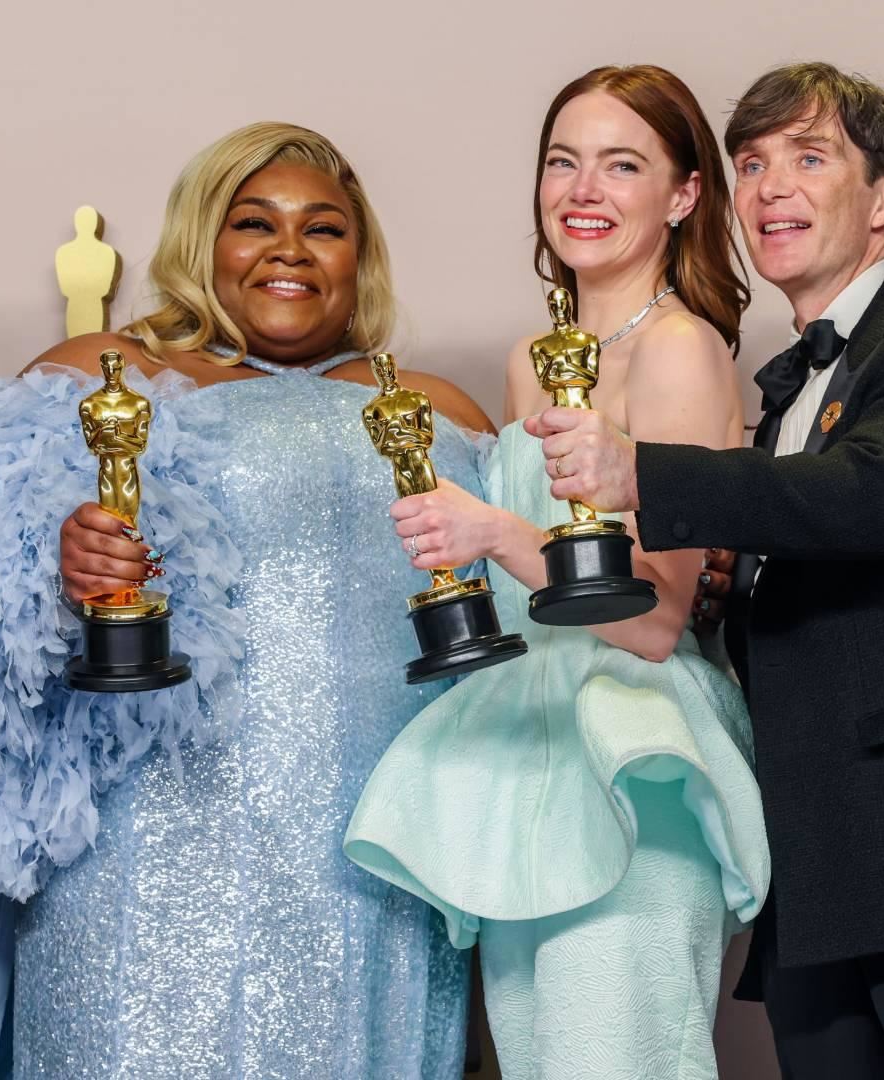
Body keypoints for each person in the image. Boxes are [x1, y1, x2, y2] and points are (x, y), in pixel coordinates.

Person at [0, 122, 492, 1079]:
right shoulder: (103, 372)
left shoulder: (441, 409)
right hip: (137, 843)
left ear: (362, 254)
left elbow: (513, 623)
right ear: (202, 241)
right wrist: (56, 564)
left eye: (324, 228)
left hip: (373, 853)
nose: (290, 250)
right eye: (253, 223)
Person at [532, 61, 884, 1078]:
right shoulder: (789, 389)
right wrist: (724, 587)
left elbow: (871, 494)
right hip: (818, 876)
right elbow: (807, 557)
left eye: (809, 159)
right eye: (752, 164)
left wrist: (640, 471)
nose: (770, 189)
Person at [342, 66, 769, 1078]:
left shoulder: (680, 351)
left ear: (683, 195)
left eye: (622, 166)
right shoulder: (531, 360)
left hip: (635, 759)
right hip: (526, 755)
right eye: (562, 162)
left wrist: (493, 533)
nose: (583, 190)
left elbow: (656, 620)